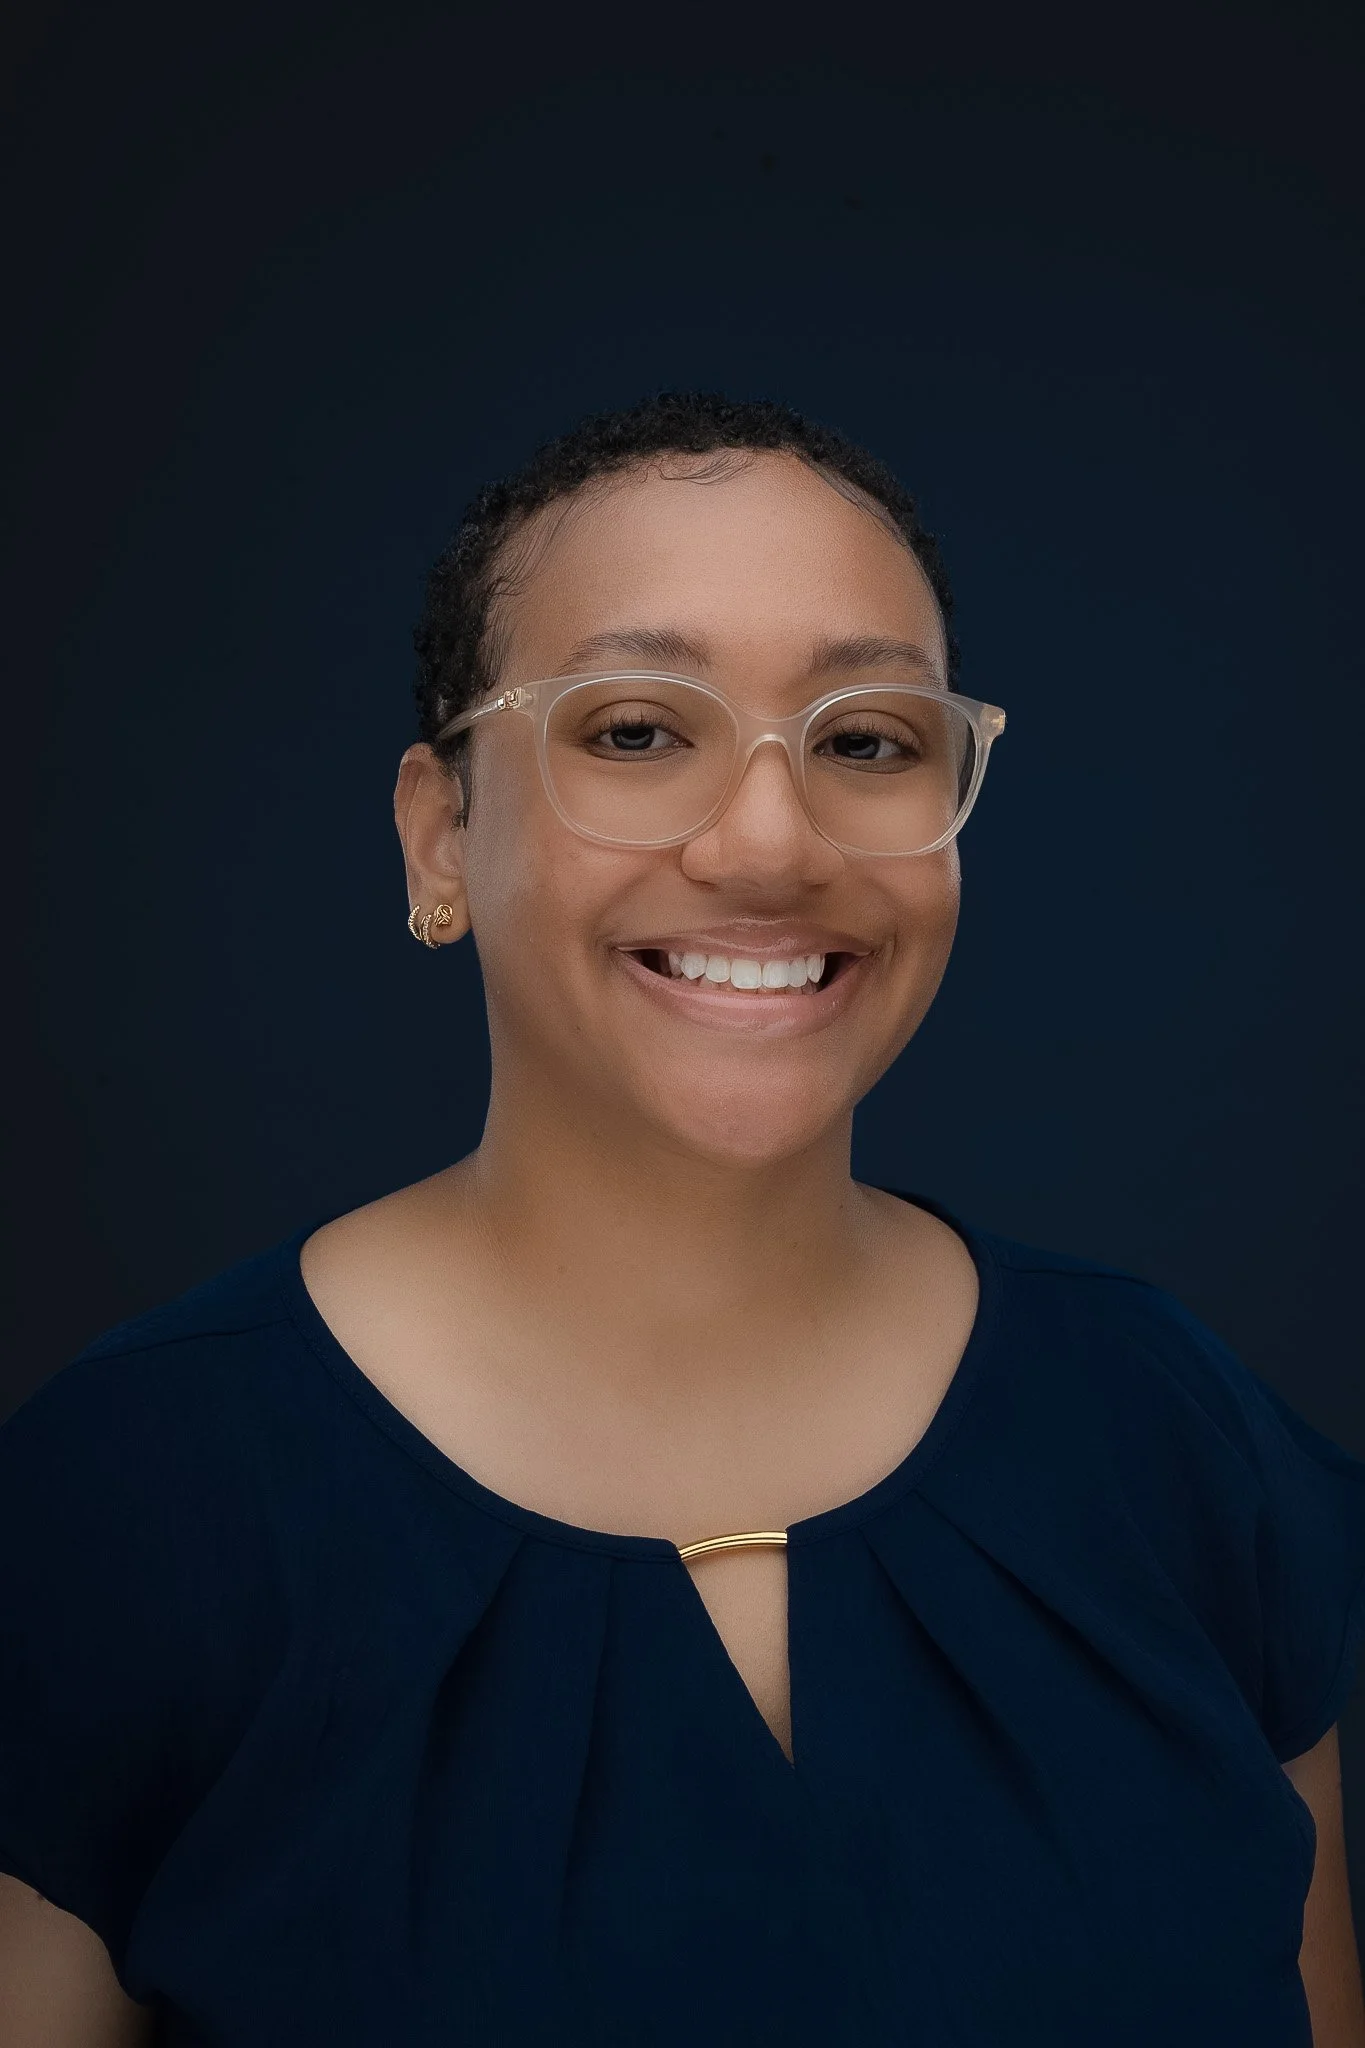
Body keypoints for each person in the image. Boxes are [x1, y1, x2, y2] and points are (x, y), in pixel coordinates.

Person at [2, 391, 1364, 2047]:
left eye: (867, 741)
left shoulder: (1174, 1435)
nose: (771, 843)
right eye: (640, 731)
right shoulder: (124, 1506)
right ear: (442, 839)